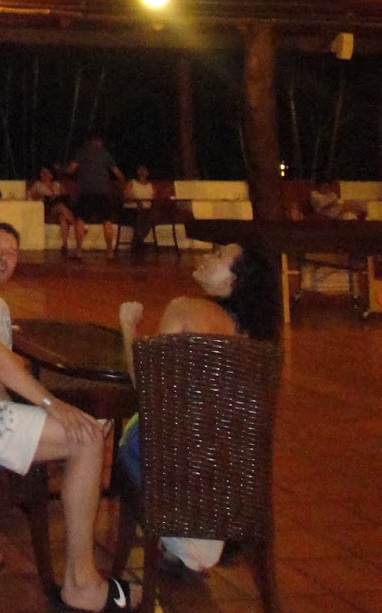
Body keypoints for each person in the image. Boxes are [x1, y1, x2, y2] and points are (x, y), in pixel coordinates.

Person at [0, 220, 140, 613]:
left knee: (73, 428)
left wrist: (38, 423)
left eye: (13, 253)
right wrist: (52, 406)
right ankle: (82, 584)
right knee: (87, 439)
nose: (4, 257)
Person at [117, 241, 280, 574]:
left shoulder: (184, 309)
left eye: (218, 256)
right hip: (225, 468)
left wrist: (127, 326)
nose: (207, 257)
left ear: (233, 281)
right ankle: (197, 536)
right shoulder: (254, 341)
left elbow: (146, 385)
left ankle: (180, 535)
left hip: (168, 459)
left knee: (120, 434)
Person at [66, 133, 124, 253]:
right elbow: (117, 172)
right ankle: (109, 251)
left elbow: (71, 169)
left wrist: (62, 170)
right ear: (99, 141)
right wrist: (122, 183)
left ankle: (79, 251)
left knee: (80, 219)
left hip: (86, 191)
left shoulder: (81, 152)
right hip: (103, 191)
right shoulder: (105, 153)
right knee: (107, 221)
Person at [27, 165, 76, 252]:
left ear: (51, 175)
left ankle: (64, 245)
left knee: (62, 218)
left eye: (45, 173)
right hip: (48, 212)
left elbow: (66, 196)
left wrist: (57, 196)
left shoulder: (57, 184)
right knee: (60, 207)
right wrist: (41, 196)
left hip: (59, 211)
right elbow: (31, 197)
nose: (42, 175)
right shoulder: (38, 185)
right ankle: (77, 225)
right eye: (41, 173)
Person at [121, 164, 156, 249]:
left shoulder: (150, 185)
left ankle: (138, 240)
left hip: (147, 210)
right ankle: (139, 241)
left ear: (148, 173)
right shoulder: (131, 183)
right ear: (137, 172)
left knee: (149, 216)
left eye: (144, 170)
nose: (142, 172)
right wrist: (137, 201)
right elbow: (126, 197)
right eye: (140, 170)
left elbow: (153, 198)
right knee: (140, 214)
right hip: (132, 209)